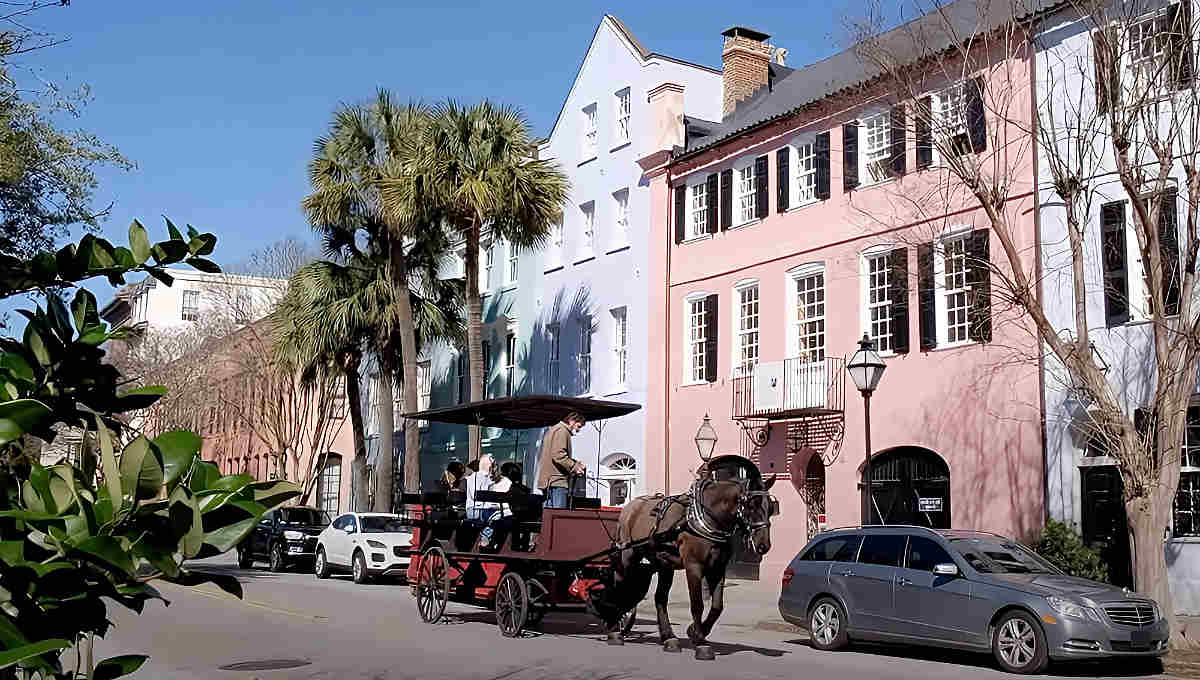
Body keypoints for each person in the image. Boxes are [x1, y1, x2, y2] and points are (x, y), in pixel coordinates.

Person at [536, 411, 585, 509]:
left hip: (550, 481)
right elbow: (559, 455)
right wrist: (574, 466)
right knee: (558, 517)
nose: (578, 430)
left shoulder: (553, 429)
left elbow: (556, 454)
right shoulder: (562, 431)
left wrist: (574, 464)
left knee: (549, 518)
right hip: (557, 481)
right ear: (571, 421)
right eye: (578, 426)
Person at [465, 455, 496, 521]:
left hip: (479, 509)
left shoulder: (472, 478)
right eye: (493, 465)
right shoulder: (476, 478)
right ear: (489, 466)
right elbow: (476, 496)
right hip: (476, 510)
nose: (495, 468)